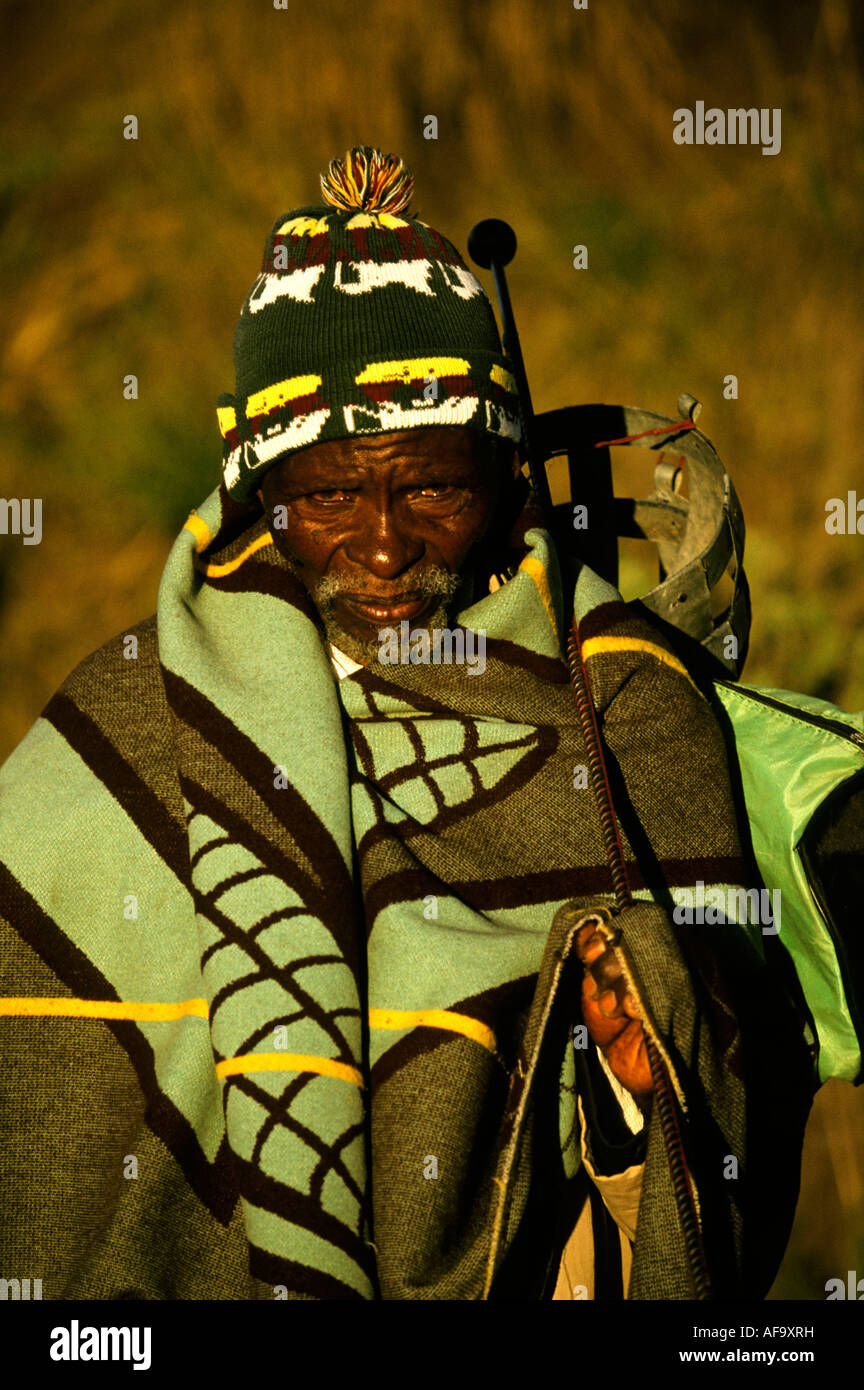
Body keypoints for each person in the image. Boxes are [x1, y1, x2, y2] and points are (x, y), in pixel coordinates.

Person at [0, 146, 840, 1301]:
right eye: (331, 497)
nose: (385, 548)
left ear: (501, 477)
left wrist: (641, 1060)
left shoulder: (626, 703)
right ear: (262, 494)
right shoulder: (137, 708)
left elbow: (727, 1069)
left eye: (432, 490)